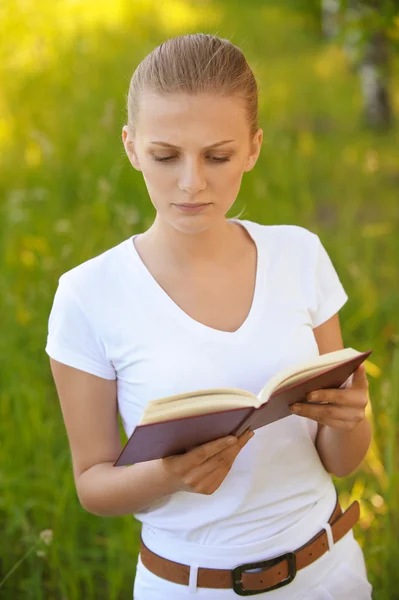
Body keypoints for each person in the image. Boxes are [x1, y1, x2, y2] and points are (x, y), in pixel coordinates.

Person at [45, 33, 373, 599]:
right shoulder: (87, 295)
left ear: (253, 148)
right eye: (165, 156)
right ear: (130, 147)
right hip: (192, 585)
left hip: (330, 572)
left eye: (217, 156)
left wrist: (353, 417)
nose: (191, 182)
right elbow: (93, 486)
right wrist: (169, 476)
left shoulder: (299, 254)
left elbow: (339, 461)